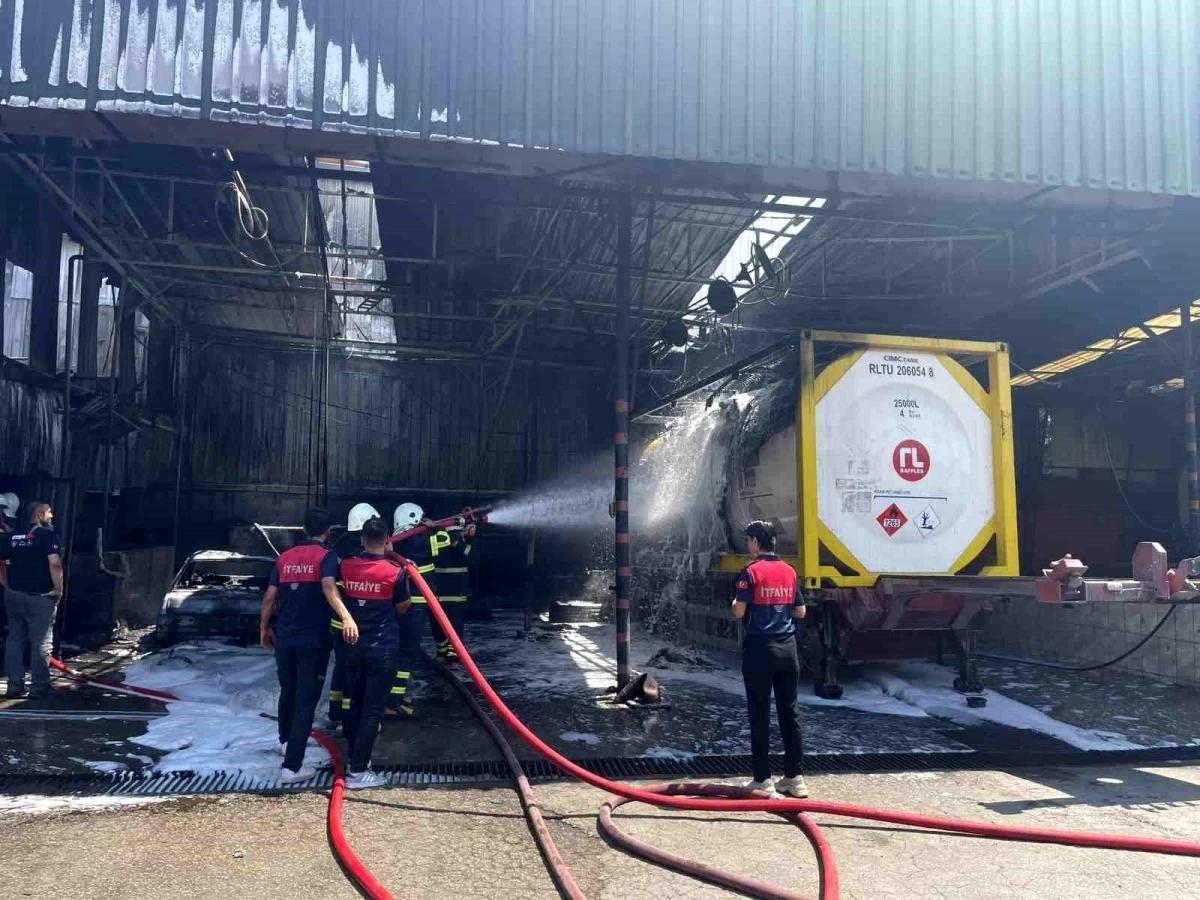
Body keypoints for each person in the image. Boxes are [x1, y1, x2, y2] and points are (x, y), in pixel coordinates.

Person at [260, 508, 358, 783]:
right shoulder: (327, 557)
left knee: (287, 692)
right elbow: (329, 587)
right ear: (327, 532)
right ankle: (292, 767)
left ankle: (284, 742)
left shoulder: (284, 558)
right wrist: (347, 616)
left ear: (304, 529)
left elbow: (270, 597)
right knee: (305, 700)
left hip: (285, 639)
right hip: (313, 641)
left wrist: (264, 628)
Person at [731, 520, 807, 798]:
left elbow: (739, 612)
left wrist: (737, 604)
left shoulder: (750, 572)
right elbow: (800, 612)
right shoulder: (789, 571)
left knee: (760, 712)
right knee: (790, 711)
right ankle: (795, 778)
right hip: (788, 649)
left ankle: (763, 780)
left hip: (760, 648)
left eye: (749, 540)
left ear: (754, 542)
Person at [339, 515, 408, 789]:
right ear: (388, 540)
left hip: (353, 646)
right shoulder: (395, 572)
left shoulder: (346, 566)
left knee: (354, 704)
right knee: (372, 711)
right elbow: (403, 607)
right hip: (382, 649)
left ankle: (354, 759)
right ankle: (357, 771)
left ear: (361, 539)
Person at [0, 502, 63, 700]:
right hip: (40, 597)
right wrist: (58, 590)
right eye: (49, 511)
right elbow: (55, 564)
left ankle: (14, 686)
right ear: (39, 513)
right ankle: (39, 687)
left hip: (14, 596)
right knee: (41, 643)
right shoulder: (46, 536)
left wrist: (7, 585)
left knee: (15, 639)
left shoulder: (13, 536)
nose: (52, 515)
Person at [328, 502, 380, 725]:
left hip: (338, 620)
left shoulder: (338, 546)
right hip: (357, 622)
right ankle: (351, 717)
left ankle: (335, 711)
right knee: (355, 671)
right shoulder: (361, 550)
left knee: (341, 667)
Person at [387, 502, 437, 718]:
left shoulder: (397, 541)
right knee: (407, 653)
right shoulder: (417, 539)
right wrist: (435, 528)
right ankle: (393, 702)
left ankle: (394, 697)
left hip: (404, 605)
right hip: (414, 605)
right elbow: (444, 542)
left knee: (400, 651)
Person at [430, 521, 475, 660]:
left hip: (454, 594)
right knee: (439, 625)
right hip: (441, 594)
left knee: (454, 624)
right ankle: (443, 651)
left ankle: (453, 653)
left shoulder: (463, 545)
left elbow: (472, 556)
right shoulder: (437, 541)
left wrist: (459, 542)